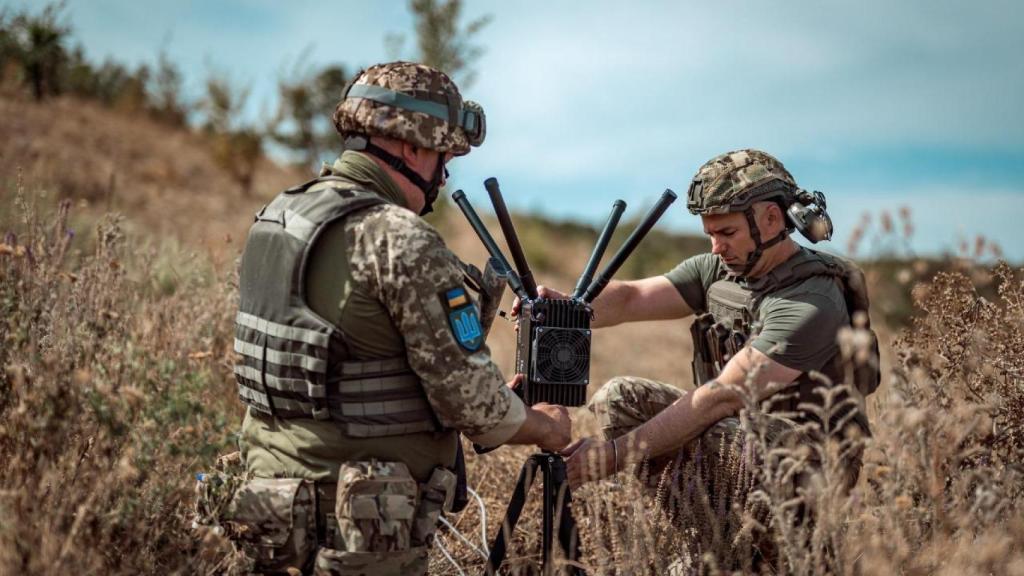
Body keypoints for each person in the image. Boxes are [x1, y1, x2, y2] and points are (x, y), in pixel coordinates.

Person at [206, 62, 572, 576]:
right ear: (412, 147)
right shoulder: (398, 237)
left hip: (267, 508)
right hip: (358, 521)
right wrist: (543, 427)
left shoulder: (277, 217)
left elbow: (339, 355)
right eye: (443, 157)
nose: (443, 176)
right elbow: (477, 406)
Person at [554, 149, 879, 502]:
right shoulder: (722, 270)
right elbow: (632, 297)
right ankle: (705, 539)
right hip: (744, 432)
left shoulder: (812, 301)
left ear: (771, 219)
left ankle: (764, 550)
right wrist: (564, 309)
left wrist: (615, 456)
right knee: (620, 398)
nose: (716, 248)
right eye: (710, 233)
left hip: (813, 464)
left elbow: (722, 397)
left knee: (702, 429)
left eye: (727, 232)